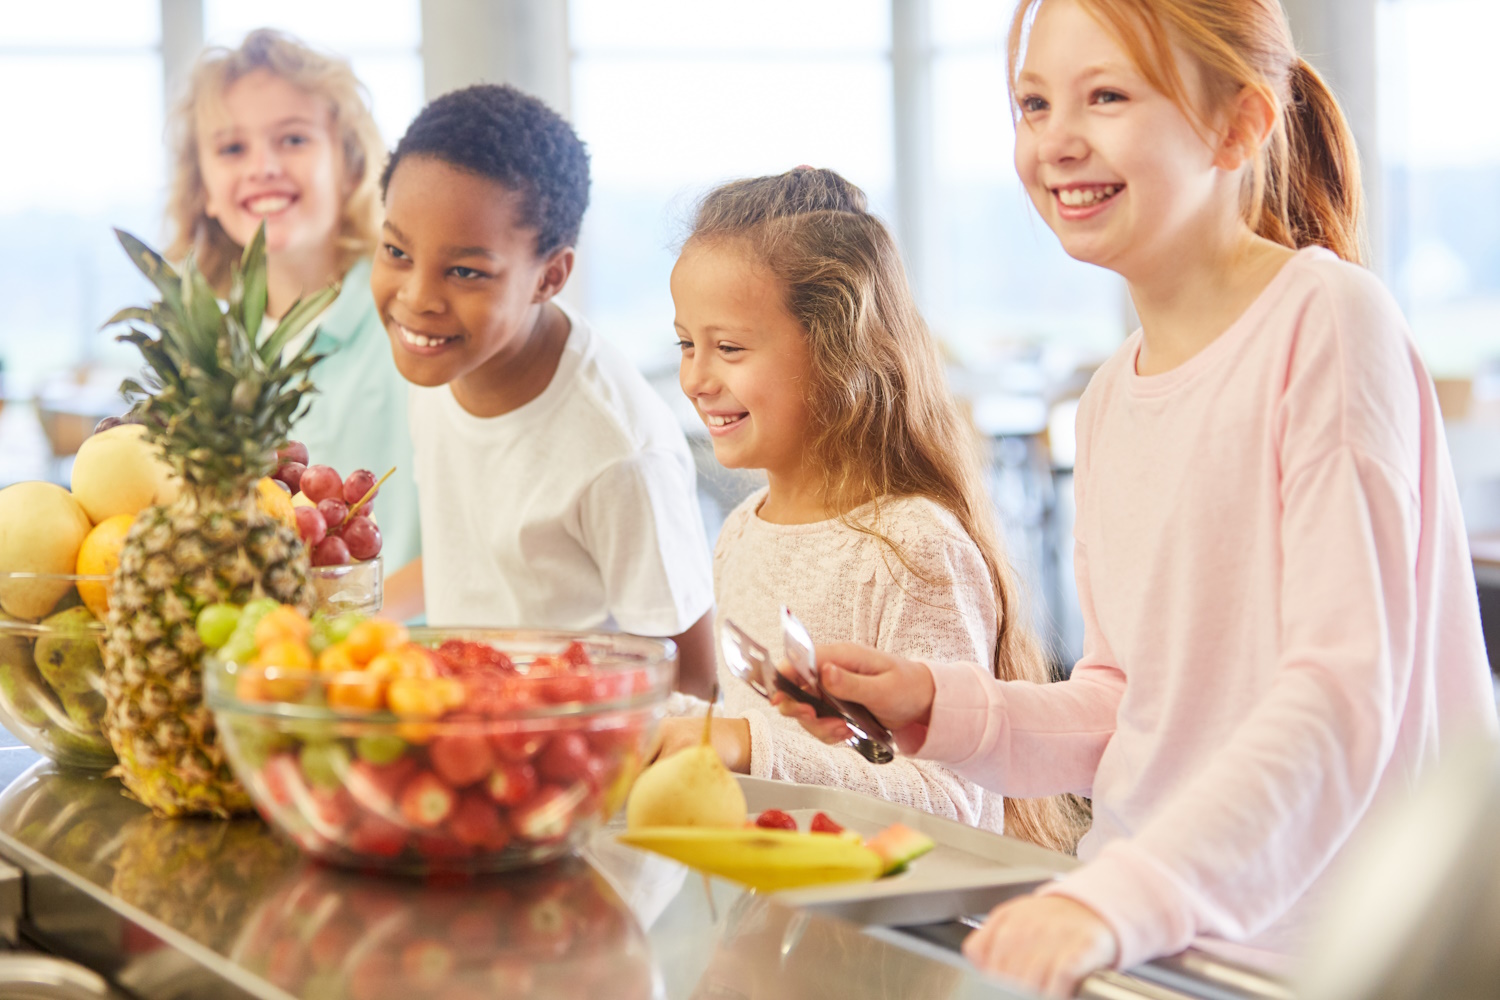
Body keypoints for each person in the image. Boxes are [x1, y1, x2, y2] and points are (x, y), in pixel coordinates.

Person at [778, 0, 1498, 993]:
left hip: (1311, 957)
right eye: (1033, 103)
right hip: (1149, 944)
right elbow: (1125, 703)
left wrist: (1119, 895)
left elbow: (1341, 689)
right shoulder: (1112, 393)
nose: (1057, 141)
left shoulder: (1328, 318)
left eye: (1106, 96)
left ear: (1239, 124)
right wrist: (937, 707)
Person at [661, 167, 1082, 851]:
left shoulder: (911, 544)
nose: (695, 378)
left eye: (729, 348)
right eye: (686, 343)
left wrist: (744, 745)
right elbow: (752, 746)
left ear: (836, 351)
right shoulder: (741, 533)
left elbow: (953, 804)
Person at [371, 84, 717, 698]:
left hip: (573, 762)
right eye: (397, 251)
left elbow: (691, 678)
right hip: (463, 727)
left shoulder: (619, 452)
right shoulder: (443, 361)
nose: (417, 298)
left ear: (550, 276)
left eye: (465, 271)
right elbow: (481, 558)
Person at [164, 29, 420, 573]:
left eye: (294, 139)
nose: (263, 167)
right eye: (232, 148)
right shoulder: (207, 361)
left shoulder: (411, 322)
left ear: (350, 165)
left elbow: (465, 537)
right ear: (203, 186)